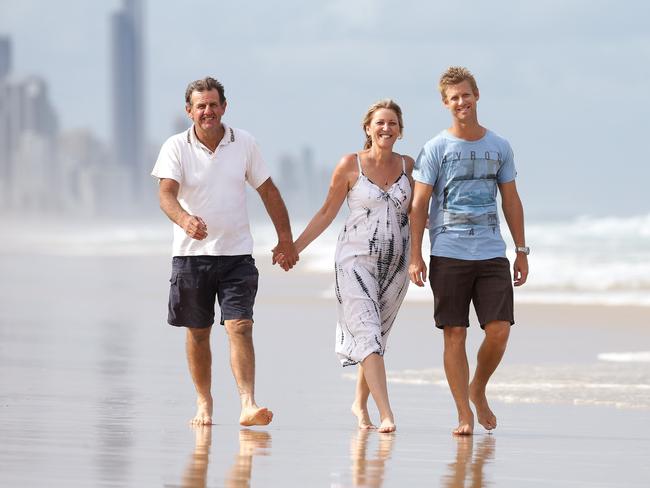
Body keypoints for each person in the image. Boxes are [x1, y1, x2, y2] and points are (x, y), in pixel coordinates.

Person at [151, 77, 299, 426]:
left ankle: (248, 403)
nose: (208, 111)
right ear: (189, 111)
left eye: (213, 104)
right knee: (198, 332)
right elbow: (166, 195)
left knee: (240, 325)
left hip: (236, 255)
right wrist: (185, 220)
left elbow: (268, 191)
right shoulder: (175, 146)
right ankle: (204, 401)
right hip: (191, 256)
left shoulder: (244, 142)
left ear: (224, 107)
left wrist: (285, 239)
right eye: (201, 105)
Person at [277, 99, 414, 433]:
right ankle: (387, 414)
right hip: (354, 262)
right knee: (367, 334)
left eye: (392, 123)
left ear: (400, 130)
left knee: (376, 338)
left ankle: (359, 403)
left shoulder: (410, 166)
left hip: (395, 266)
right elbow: (326, 213)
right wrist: (294, 247)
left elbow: (421, 214)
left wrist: (427, 256)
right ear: (367, 128)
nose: (386, 128)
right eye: (380, 122)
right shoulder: (349, 165)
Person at [409, 66, 529, 436]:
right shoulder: (435, 148)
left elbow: (510, 199)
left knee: (499, 330)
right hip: (448, 251)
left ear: (476, 95)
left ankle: (478, 388)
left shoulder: (500, 146)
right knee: (454, 333)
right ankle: (463, 411)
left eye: (466, 95)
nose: (461, 102)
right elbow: (418, 205)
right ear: (446, 104)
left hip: (491, 250)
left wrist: (521, 250)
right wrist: (416, 255)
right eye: (454, 98)